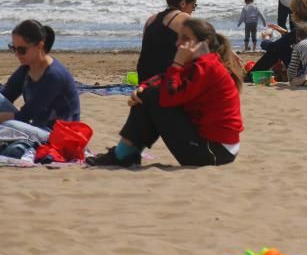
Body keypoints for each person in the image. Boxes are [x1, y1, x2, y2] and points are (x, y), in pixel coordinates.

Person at [87, 18, 244, 167]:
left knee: (154, 97)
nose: (177, 43)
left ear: (204, 43)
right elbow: (165, 78)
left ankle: (124, 154)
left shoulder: (207, 67)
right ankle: (125, 153)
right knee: (149, 94)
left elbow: (169, 97)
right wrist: (144, 86)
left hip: (216, 153)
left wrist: (177, 62)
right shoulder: (202, 62)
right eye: (178, 37)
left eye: (185, 38)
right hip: (215, 147)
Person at [1, 20, 80, 144]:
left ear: (39, 45)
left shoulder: (53, 76)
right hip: (36, 127)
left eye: (21, 50)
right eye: (13, 48)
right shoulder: (25, 69)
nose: (16, 54)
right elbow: (5, 96)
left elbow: (24, 116)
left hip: (58, 135)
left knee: (11, 125)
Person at [249, 0, 307, 80]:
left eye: (293, 10)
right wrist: (286, 33)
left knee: (278, 49)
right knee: (281, 47)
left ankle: (250, 76)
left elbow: (272, 46)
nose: (292, 13)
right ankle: (252, 75)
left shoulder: (304, 27)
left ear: (299, 12)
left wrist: (266, 38)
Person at [136, 0, 198, 82]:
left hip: (144, 78)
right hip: (165, 80)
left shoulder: (151, 19)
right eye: (193, 6)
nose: (192, 11)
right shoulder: (184, 18)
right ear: (183, 3)